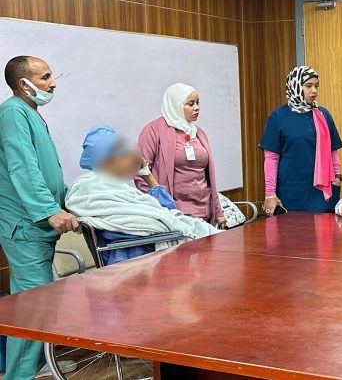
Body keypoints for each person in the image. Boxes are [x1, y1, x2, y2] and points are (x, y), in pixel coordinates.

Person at [0, 55, 79, 380]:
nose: (53, 83)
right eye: (45, 77)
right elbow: (23, 167)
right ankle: (19, 376)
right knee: (33, 306)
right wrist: (49, 211)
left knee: (39, 302)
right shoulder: (13, 113)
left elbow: (46, 170)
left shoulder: (29, 112)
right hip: (25, 225)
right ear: (24, 84)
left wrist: (70, 199)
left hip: (36, 224)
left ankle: (33, 365)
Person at [66, 126, 219, 262]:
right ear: (104, 162)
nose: (132, 160)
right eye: (124, 156)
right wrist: (174, 227)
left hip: (149, 254)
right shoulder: (93, 188)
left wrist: (147, 175)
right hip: (134, 260)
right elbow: (146, 225)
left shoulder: (118, 188)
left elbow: (166, 211)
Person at [136, 83, 225, 227]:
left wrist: (218, 210)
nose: (197, 107)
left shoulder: (198, 133)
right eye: (190, 104)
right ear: (175, 104)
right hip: (174, 214)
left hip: (204, 211)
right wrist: (162, 206)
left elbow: (209, 178)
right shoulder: (153, 131)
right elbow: (140, 173)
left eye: (197, 102)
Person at [260, 66, 342, 215]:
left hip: (320, 191)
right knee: (291, 228)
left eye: (316, 86)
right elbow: (271, 158)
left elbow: (333, 150)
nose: (314, 91)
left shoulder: (323, 115)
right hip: (290, 190)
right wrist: (270, 193)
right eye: (308, 85)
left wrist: (337, 177)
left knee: (324, 228)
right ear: (296, 85)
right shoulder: (278, 116)